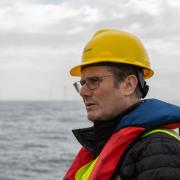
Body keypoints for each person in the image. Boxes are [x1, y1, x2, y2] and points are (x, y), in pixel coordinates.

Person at [64, 29, 180, 180]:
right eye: (82, 83)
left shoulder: (159, 150)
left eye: (93, 81)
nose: (83, 92)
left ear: (128, 84)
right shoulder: (103, 146)